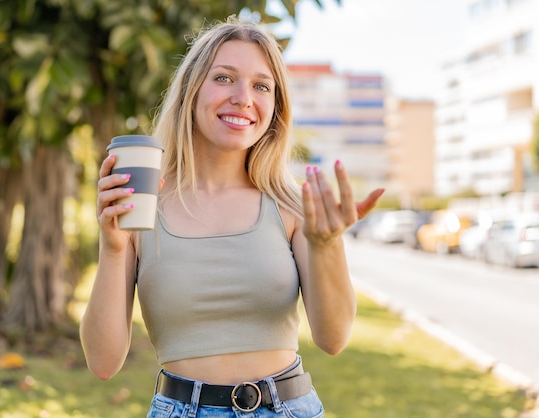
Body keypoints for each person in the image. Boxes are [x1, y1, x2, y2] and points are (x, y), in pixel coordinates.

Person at [80, 15, 384, 417]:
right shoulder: (141, 205)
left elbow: (333, 338)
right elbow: (103, 364)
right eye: (224, 78)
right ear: (191, 90)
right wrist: (114, 247)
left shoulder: (292, 204)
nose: (244, 97)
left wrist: (327, 245)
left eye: (261, 85)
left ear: (275, 107)